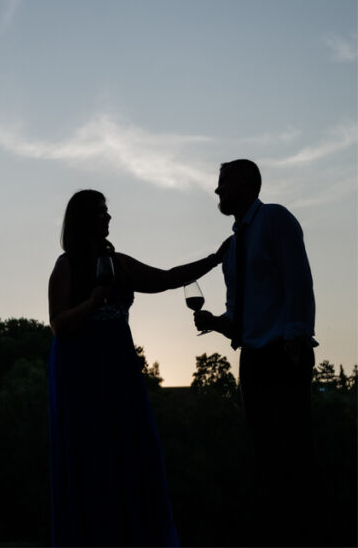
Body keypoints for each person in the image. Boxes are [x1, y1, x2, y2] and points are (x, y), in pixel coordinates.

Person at [47, 189, 224, 547]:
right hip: (80, 371)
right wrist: (92, 302)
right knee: (89, 456)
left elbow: (169, 278)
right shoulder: (66, 266)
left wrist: (216, 259)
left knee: (130, 452)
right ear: (84, 220)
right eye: (101, 213)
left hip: (119, 369)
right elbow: (58, 324)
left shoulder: (120, 264)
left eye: (107, 212)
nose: (108, 218)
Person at [193, 159, 316, 547]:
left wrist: (297, 338)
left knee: (294, 454)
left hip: (285, 353)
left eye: (223, 182)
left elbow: (299, 281)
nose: (217, 190)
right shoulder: (232, 247)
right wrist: (214, 322)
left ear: (246, 183)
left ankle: (305, 533)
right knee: (265, 456)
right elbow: (238, 315)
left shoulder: (277, 220)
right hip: (253, 360)